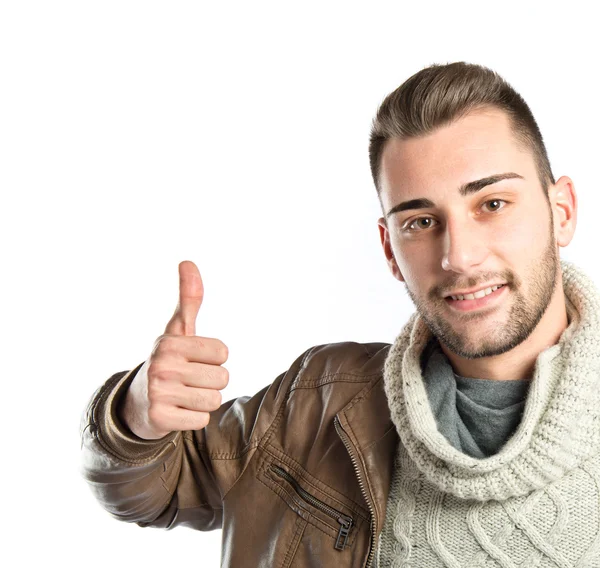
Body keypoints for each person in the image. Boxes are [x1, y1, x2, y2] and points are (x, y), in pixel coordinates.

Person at [80, 61, 600, 567]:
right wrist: (137, 414)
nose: (458, 256)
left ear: (562, 213)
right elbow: (149, 488)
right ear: (391, 250)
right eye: (420, 220)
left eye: (492, 204)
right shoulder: (319, 402)